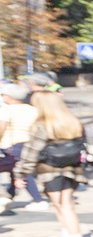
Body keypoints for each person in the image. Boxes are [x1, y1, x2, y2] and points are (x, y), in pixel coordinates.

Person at [20, 89, 91, 237]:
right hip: (72, 168)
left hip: (49, 169)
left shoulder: (41, 125)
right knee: (66, 204)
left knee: (62, 206)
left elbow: (30, 152)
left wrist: (21, 172)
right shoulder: (73, 122)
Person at [0, 79, 42, 211]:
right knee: (18, 170)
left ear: (9, 97)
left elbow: (2, 127)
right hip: (30, 143)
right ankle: (10, 194)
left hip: (11, 145)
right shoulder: (32, 109)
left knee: (21, 172)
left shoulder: (7, 110)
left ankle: (37, 199)